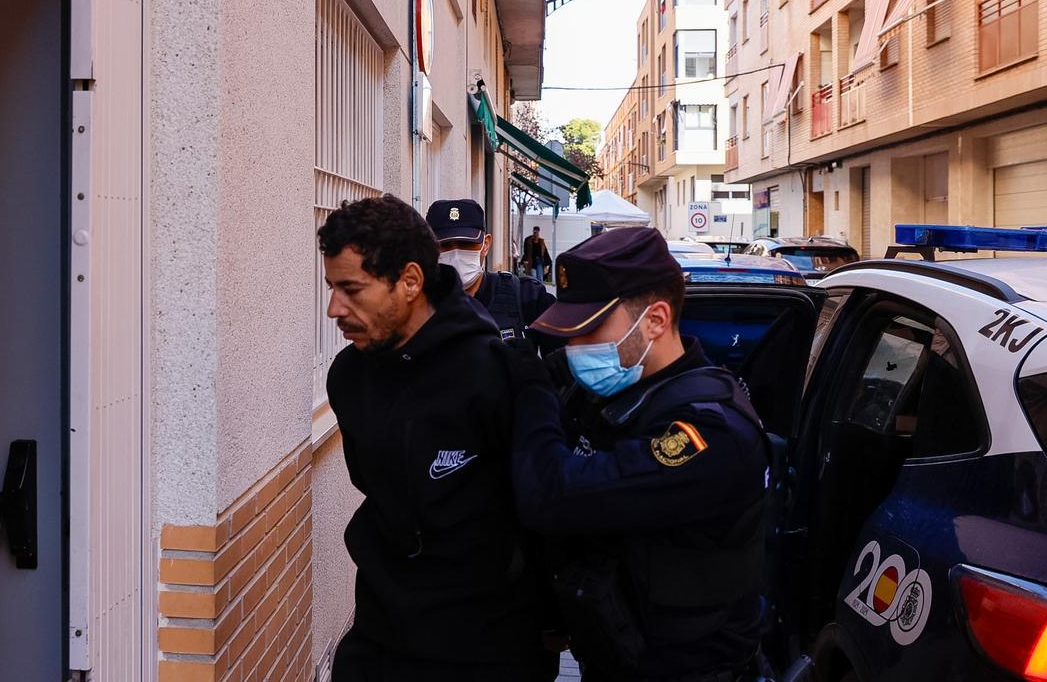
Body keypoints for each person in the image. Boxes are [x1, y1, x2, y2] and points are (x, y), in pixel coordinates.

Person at [509, 227, 773, 682]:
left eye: (589, 330)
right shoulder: (619, 392)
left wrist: (531, 390)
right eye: (568, 335)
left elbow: (551, 495)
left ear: (655, 320)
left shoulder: (708, 431)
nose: (574, 349)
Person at [319, 195, 558, 682]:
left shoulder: (500, 373)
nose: (333, 308)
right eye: (331, 288)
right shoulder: (348, 376)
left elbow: (546, 512)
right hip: (381, 637)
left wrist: (551, 623)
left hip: (489, 646)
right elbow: (375, 488)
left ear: (409, 281)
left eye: (351, 289)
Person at [426, 198, 557, 349]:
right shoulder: (416, 307)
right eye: (445, 245)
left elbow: (560, 362)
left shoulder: (527, 296)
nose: (456, 254)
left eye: (467, 244)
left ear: (486, 245)